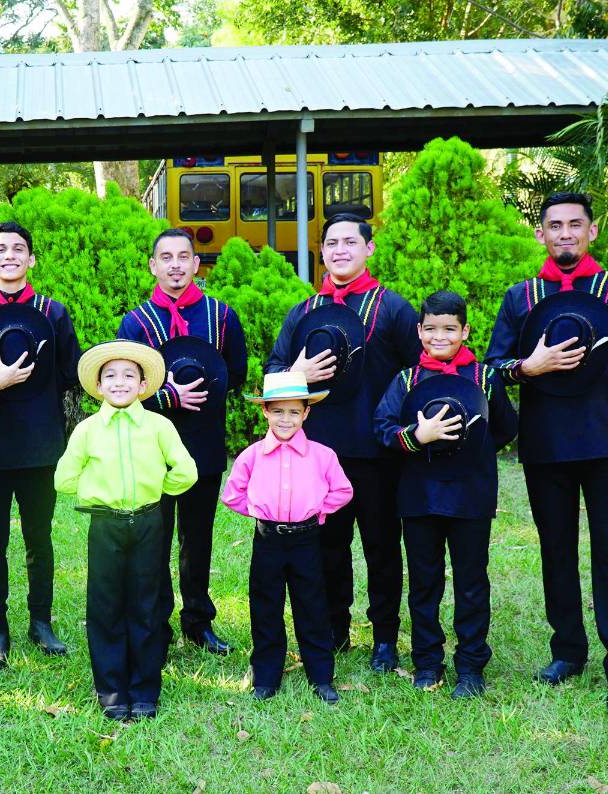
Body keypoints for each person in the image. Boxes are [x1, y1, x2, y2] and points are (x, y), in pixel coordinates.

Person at [485, 192, 608, 712]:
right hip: (545, 444)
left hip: (607, 443)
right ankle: (567, 651)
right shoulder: (521, 297)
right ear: (541, 234)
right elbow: (494, 365)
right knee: (556, 550)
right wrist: (528, 367)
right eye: (555, 225)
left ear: (592, 231)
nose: (565, 233)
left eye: (575, 224)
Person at [265, 213, 421, 672]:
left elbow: (418, 374)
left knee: (381, 547)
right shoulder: (303, 312)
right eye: (332, 243)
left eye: (350, 242)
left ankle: (385, 638)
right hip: (317, 453)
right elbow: (272, 373)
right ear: (322, 252)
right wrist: (296, 373)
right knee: (327, 547)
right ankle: (334, 630)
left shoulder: (393, 309)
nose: (340, 251)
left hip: (377, 453)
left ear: (369, 248)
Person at [374, 290, 518, 698]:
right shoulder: (406, 380)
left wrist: (471, 451)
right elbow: (382, 427)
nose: (440, 337)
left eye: (450, 329)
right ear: (419, 331)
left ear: (465, 331)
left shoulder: (485, 378)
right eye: (431, 329)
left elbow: (505, 427)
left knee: (471, 581)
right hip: (419, 495)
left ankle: (471, 665)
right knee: (424, 581)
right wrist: (417, 437)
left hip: (471, 494)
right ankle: (427, 662)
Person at [0, 221, 80, 668]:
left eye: (19, 248)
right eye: (1, 249)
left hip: (40, 443)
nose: (10, 255)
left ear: (31, 259)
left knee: (39, 537)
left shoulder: (54, 313)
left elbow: (71, 373)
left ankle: (41, 621)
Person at [117, 228, 247, 656]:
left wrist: (204, 386)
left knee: (198, 539)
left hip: (203, 444)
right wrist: (167, 396)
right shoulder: (136, 322)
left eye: (183, 256)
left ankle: (198, 621)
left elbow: (235, 373)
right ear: (153, 266)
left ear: (195, 263)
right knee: (153, 540)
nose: (175, 265)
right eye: (166, 257)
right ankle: (156, 625)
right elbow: (121, 385)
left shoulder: (221, 317)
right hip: (150, 448)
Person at [55, 341, 197, 721]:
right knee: (106, 606)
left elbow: (186, 471)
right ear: (99, 385)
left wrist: (157, 490)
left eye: (129, 375)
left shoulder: (159, 426)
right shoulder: (87, 430)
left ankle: (145, 689)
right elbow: (63, 479)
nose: (120, 382)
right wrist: (98, 490)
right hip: (105, 525)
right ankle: (112, 689)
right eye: (111, 376)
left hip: (149, 522)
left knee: (146, 606)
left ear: (143, 384)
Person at [221, 371, 352, 704]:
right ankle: (266, 677)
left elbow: (343, 490)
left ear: (306, 413)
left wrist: (318, 511)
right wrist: (258, 510)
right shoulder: (251, 456)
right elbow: (232, 494)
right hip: (268, 540)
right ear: (265, 411)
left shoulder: (323, 455)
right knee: (265, 606)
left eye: (294, 411)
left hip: (307, 540)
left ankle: (321, 676)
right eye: (278, 411)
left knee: (312, 606)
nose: (285, 419)